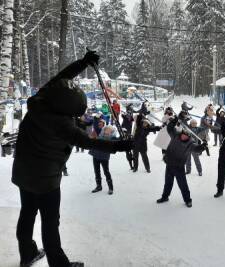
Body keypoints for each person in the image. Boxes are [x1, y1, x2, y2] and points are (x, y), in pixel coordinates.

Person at [11, 52, 133, 267]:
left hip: (23, 170)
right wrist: (118, 146)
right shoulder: (61, 124)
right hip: (46, 179)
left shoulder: (43, 98)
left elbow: (64, 76)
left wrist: (83, 63)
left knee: (27, 212)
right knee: (50, 222)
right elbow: (87, 142)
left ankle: (27, 253)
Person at [156, 116, 207, 207]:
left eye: (186, 135)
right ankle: (165, 197)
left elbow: (197, 149)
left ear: (189, 136)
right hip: (169, 164)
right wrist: (175, 120)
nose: (184, 136)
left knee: (183, 185)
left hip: (179, 167)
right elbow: (169, 128)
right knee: (168, 183)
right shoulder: (175, 135)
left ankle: (188, 200)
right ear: (181, 133)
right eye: (183, 134)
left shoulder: (190, 143)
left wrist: (203, 146)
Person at [89, 125, 118, 195]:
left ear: (112, 131)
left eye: (109, 130)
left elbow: (116, 143)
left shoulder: (112, 138)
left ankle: (110, 188)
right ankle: (99, 186)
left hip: (104, 157)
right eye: (106, 129)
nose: (107, 131)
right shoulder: (100, 135)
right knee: (97, 171)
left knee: (106, 172)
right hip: (95, 155)